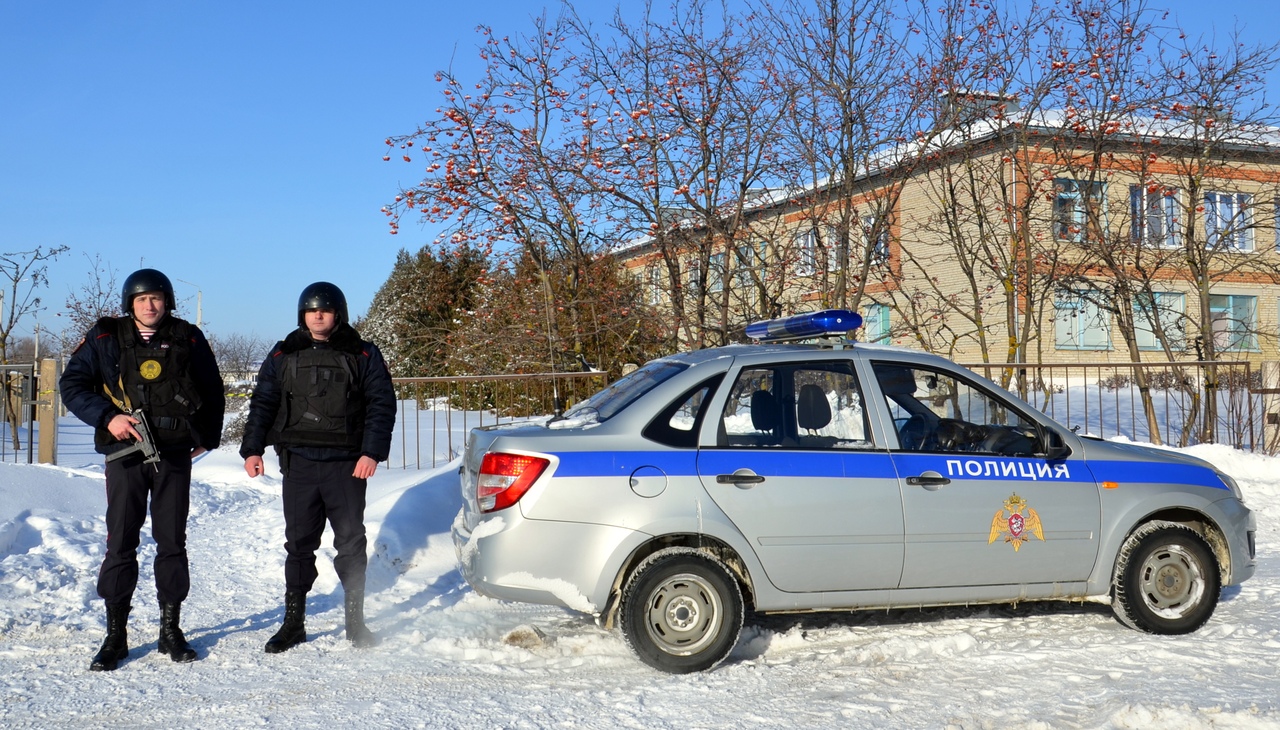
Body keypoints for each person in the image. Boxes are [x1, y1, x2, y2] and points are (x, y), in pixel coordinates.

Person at [60, 268, 225, 671]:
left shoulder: (188, 336)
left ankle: (171, 630)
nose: (150, 306)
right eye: (141, 299)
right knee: (121, 542)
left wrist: (208, 435)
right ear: (129, 304)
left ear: (167, 300)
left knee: (171, 541)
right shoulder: (104, 337)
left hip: (172, 454)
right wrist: (107, 418)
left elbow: (212, 387)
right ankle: (116, 635)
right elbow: (72, 385)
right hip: (125, 455)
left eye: (156, 298)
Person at [239, 282, 396, 652]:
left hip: (347, 465)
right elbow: (263, 402)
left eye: (324, 309)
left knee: (351, 544)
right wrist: (252, 449)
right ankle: (293, 624)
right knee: (298, 545)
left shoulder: (363, 353)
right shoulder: (283, 354)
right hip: (300, 464)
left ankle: (355, 623)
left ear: (337, 313)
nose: (318, 315)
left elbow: (381, 404)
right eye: (312, 310)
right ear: (302, 314)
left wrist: (371, 452)